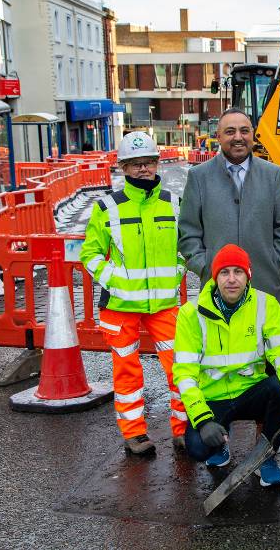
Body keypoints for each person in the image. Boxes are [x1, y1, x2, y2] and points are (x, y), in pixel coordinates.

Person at [80, 131, 187, 455]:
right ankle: (134, 433)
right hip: (121, 306)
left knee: (179, 367)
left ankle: (183, 430)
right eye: (135, 164)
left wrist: (177, 271)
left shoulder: (172, 203)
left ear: (157, 163)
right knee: (127, 371)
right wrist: (117, 280)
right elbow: (91, 254)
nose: (143, 169)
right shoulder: (107, 207)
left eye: (148, 163)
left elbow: (185, 247)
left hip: (164, 304)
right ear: (123, 168)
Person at [173, 244, 280, 485]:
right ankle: (219, 447)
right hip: (213, 398)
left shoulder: (266, 305)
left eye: (239, 272)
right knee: (197, 448)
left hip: (250, 392)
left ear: (248, 275)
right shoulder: (190, 314)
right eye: (225, 272)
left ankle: (264, 455)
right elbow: (184, 374)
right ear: (215, 278)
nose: (232, 279)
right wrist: (203, 420)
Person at [179, 107, 280, 316]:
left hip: (265, 286)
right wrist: (205, 266)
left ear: (252, 134)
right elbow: (188, 230)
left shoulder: (272, 174)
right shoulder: (199, 177)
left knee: (267, 346)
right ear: (218, 136)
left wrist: (276, 262)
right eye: (230, 131)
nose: (238, 137)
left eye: (244, 131)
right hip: (216, 288)